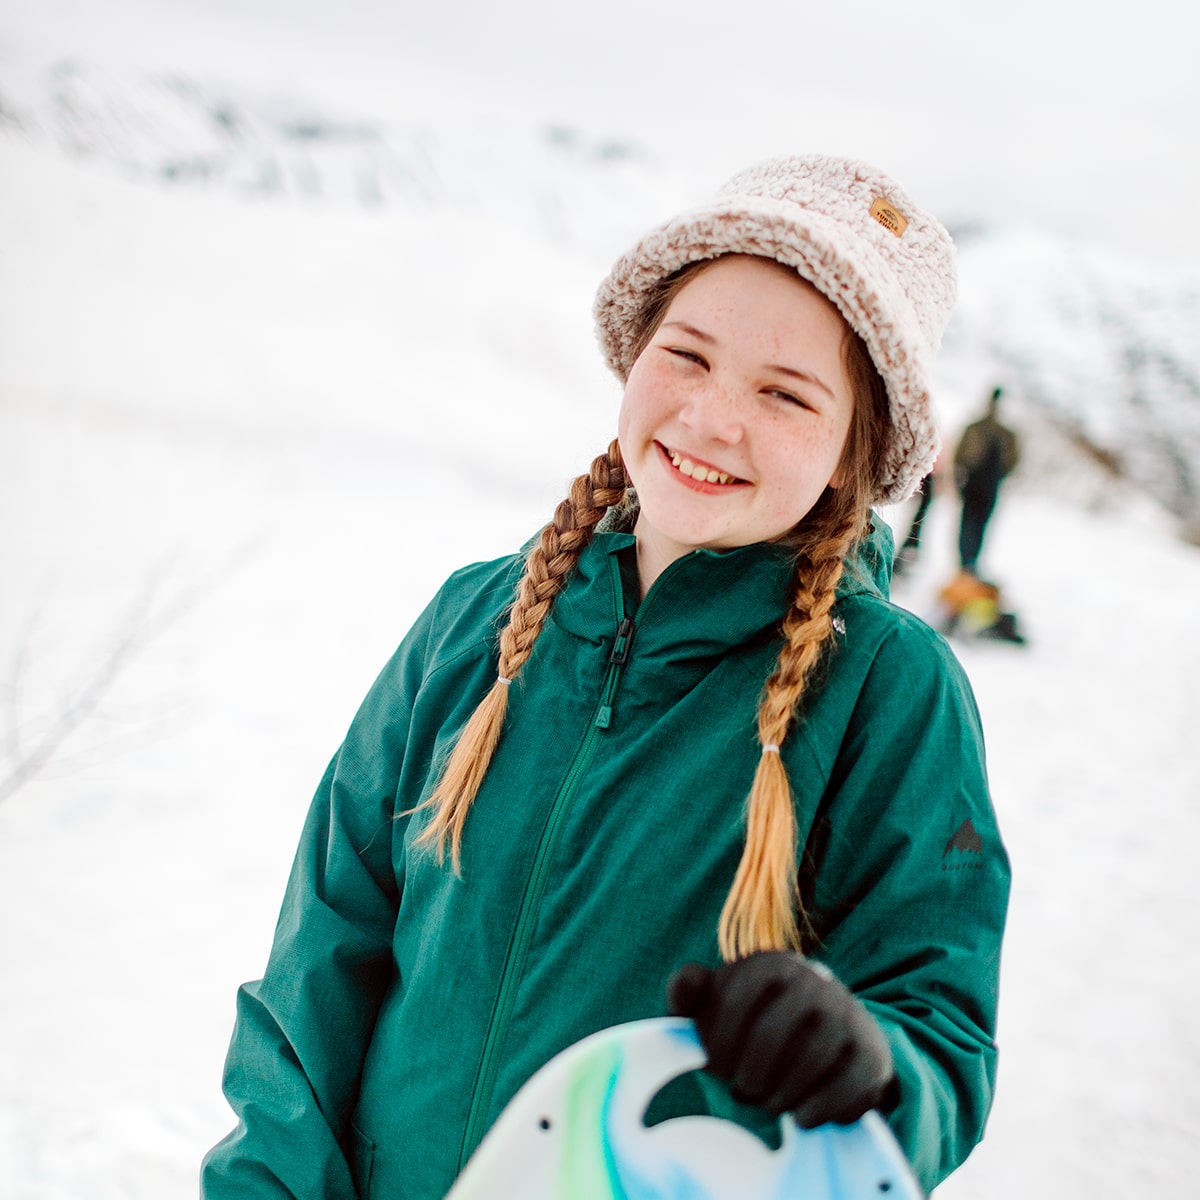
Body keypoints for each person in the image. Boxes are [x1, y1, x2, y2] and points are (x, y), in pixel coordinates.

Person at [202, 155, 1009, 1200]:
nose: (715, 419)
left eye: (785, 393)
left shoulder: (891, 691)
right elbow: (323, 956)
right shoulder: (474, 620)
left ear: (855, 451)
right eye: (689, 356)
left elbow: (939, 1028)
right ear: (635, 357)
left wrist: (871, 1066)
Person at [954, 386, 1020, 574]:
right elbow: (960, 455)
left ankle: (968, 561)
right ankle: (967, 561)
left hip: (985, 482)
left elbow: (1012, 460)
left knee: (973, 521)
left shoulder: (998, 432)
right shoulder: (999, 432)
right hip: (980, 482)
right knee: (974, 521)